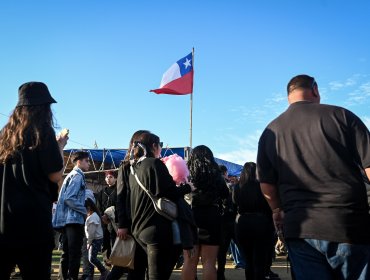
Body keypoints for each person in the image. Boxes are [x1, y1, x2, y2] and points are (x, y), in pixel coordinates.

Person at [257, 74, 370, 280]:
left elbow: (266, 185)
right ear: (315, 90)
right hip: (347, 223)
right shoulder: (342, 116)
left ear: (288, 96)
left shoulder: (270, 131)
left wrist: (276, 210)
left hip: (300, 229)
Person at [0, 81, 67, 279]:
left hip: (4, 223)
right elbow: (55, 174)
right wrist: (60, 147)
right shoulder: (43, 132)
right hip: (33, 223)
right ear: (43, 107)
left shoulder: (4, 137)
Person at [129, 132, 191, 280]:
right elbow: (169, 192)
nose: (161, 149)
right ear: (153, 146)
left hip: (138, 228)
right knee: (158, 275)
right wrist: (188, 187)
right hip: (156, 228)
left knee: (143, 273)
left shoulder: (133, 169)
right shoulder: (155, 164)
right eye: (160, 145)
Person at [107, 129, 150, 280]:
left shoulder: (145, 166)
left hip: (141, 224)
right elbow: (121, 197)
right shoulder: (126, 167)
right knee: (126, 265)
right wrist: (122, 224)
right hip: (131, 225)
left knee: (134, 266)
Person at [183, 145, 229, 280]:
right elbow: (225, 194)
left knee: (189, 261)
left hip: (190, 216)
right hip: (211, 217)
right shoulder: (216, 174)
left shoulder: (186, 174)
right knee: (209, 262)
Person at [232, 162, 275, 280]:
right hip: (261, 223)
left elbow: (234, 203)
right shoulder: (261, 186)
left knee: (248, 260)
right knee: (260, 260)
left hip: (242, 223)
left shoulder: (237, 187)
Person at [53, 150, 90, 280]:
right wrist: (84, 211)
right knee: (74, 253)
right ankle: (72, 277)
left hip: (68, 220)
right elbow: (70, 198)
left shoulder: (72, 175)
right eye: (87, 161)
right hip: (74, 220)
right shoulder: (78, 176)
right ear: (79, 161)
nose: (89, 164)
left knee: (67, 253)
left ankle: (64, 277)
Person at [96, 170, 118, 265]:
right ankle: (106, 261)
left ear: (115, 178)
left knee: (115, 240)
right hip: (104, 221)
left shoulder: (119, 190)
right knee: (105, 241)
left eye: (111, 177)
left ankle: (116, 262)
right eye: (107, 177)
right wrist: (102, 216)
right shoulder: (102, 192)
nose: (108, 179)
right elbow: (98, 205)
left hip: (115, 220)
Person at [84, 198, 109, 280]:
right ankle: (92, 274)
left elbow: (92, 232)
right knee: (91, 258)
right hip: (95, 239)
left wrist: (89, 242)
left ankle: (104, 271)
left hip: (95, 240)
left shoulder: (93, 217)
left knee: (91, 258)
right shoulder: (92, 216)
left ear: (89, 208)